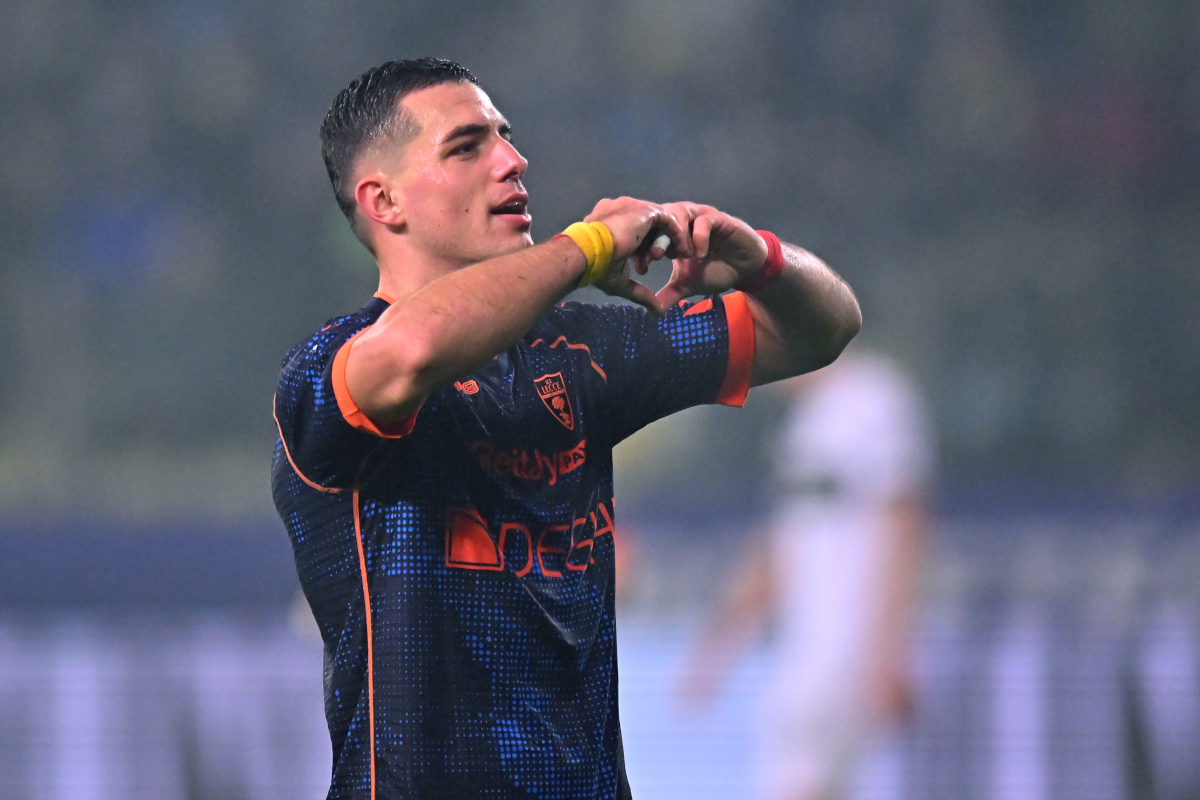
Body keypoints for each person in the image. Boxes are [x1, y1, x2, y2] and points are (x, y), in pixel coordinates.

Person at [271, 57, 861, 800]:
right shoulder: (328, 369)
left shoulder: (581, 355)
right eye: (466, 147)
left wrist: (758, 256)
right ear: (383, 200)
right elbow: (412, 350)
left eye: (505, 138)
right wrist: (584, 249)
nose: (512, 162)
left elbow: (824, 329)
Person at [680, 346, 934, 800]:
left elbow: (904, 526)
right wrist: (717, 648)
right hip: (804, 648)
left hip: (849, 646)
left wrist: (892, 650)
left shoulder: (873, 399)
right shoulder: (802, 426)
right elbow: (781, 549)